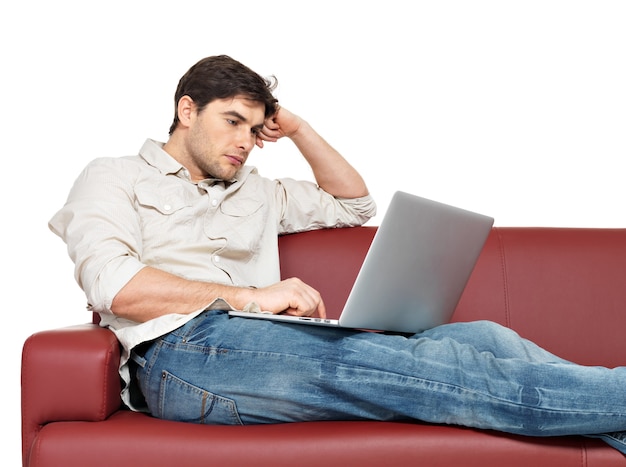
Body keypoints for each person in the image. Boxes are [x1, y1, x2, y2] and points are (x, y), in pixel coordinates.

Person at [49, 54, 626, 454]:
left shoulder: (257, 191)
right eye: (232, 122)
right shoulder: (114, 176)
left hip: (265, 340)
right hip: (183, 354)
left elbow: (353, 204)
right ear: (186, 110)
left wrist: (298, 130)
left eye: (255, 129)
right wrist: (251, 296)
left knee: (487, 341)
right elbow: (115, 285)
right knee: (429, 370)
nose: (245, 142)